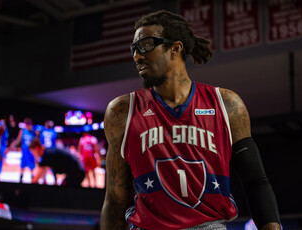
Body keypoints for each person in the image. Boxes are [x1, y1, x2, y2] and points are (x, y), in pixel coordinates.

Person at [101, 10, 281, 230]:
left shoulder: (226, 104)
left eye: (146, 45)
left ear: (176, 48)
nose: (137, 56)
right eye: (134, 49)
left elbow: (255, 183)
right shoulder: (122, 111)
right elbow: (115, 201)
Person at [8, 118, 37, 183]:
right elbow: (18, 139)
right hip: (24, 152)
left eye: (29, 124)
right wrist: (13, 144)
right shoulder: (23, 131)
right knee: (22, 167)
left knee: (32, 168)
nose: (28, 126)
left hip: (31, 153)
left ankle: (33, 181)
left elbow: (36, 142)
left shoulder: (34, 132)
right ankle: (21, 180)